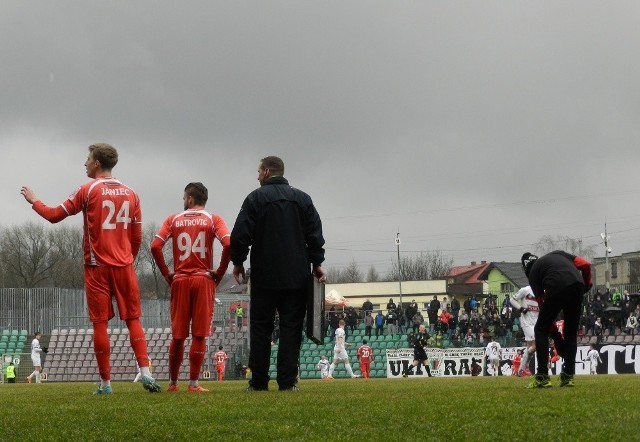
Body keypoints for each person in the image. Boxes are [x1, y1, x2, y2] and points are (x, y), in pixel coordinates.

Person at [20, 144, 159, 395]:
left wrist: (34, 200)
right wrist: (128, 258)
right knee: (133, 319)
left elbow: (53, 216)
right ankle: (147, 373)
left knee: (99, 324)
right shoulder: (132, 193)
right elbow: (137, 236)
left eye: (87, 159)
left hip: (97, 267)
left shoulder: (88, 189)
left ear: (96, 163)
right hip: (125, 266)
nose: (84, 163)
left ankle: (106, 384)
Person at [231, 156, 326, 392]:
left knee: (261, 329)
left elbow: (240, 233)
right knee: (291, 328)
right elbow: (315, 233)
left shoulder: (255, 198)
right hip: (296, 276)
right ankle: (287, 382)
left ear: (266, 172)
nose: (256, 176)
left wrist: (238, 261)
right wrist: (317, 262)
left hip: (264, 275)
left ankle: (259, 382)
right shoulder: (303, 199)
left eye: (258, 171)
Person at [151, 182, 231, 393]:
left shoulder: (173, 219)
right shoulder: (213, 219)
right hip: (203, 279)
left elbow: (155, 245)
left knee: (178, 335)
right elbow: (228, 243)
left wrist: (167, 273)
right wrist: (220, 272)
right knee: (199, 335)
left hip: (180, 280)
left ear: (189, 199)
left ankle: (173, 383)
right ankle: (194, 384)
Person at [521, 251, 592, 388]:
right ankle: (568, 376)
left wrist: (555, 336)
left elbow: (543, 307)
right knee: (571, 332)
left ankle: (542, 376)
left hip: (556, 285)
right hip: (577, 284)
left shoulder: (534, 273)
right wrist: (587, 285)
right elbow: (586, 265)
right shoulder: (558, 254)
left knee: (540, 329)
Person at [509, 286, 539, 376]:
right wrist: (521, 308)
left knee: (530, 347)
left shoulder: (542, 291)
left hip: (537, 322)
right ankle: (524, 367)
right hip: (527, 322)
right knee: (537, 344)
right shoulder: (525, 290)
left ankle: (521, 370)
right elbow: (512, 300)